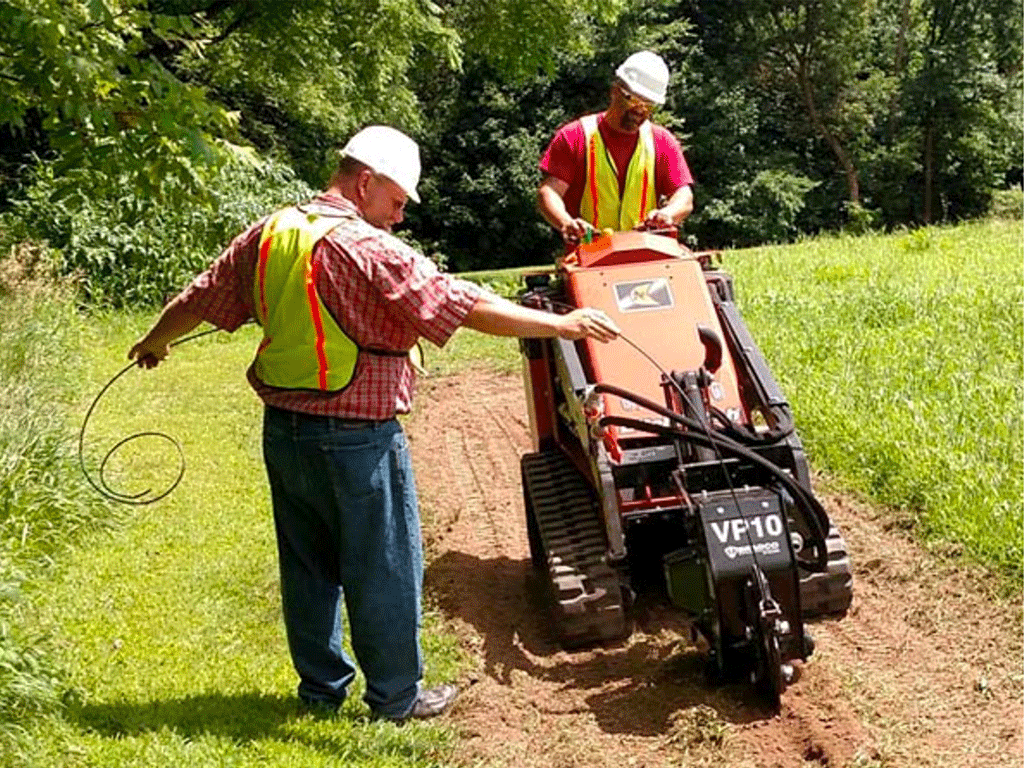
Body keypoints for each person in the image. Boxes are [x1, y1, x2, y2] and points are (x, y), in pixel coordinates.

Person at [127, 125, 620, 723]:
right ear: (365, 182)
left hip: (285, 433)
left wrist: (155, 341)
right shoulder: (368, 249)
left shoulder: (273, 232)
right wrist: (564, 326)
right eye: (397, 201)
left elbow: (200, 297)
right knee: (384, 565)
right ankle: (394, 698)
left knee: (306, 568)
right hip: (358, 437)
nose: (400, 216)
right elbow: (462, 305)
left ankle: (321, 692)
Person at [537, 50, 695, 247]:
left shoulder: (661, 141)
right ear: (615, 90)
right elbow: (548, 192)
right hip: (587, 254)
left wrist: (667, 214)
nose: (640, 109)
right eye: (633, 99)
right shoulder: (575, 136)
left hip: (646, 253)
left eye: (649, 104)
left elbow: (684, 197)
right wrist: (567, 223)